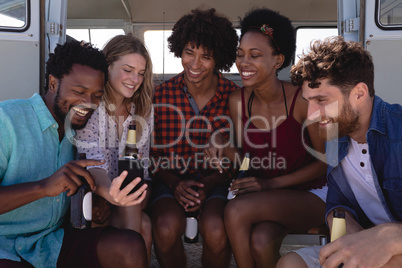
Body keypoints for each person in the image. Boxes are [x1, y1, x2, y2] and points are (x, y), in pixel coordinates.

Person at [0, 40, 147, 267]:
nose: (88, 103)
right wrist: (43, 187)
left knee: (130, 246)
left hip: (51, 243)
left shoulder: (79, 132)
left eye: (97, 96)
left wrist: (98, 200)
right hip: (4, 245)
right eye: (79, 92)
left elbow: (95, 172)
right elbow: (52, 186)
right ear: (52, 83)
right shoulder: (7, 120)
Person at [204, 8, 328, 268]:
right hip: (266, 197)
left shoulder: (302, 100)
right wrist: (221, 142)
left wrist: (270, 185)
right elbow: (246, 162)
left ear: (278, 60)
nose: (243, 63)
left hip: (311, 194)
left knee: (236, 211)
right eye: (240, 55)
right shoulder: (238, 101)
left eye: (255, 55)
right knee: (260, 241)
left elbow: (325, 161)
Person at [277, 36, 402, 268]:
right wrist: (347, 231)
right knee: (291, 264)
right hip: (362, 244)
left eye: (322, 100)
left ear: (359, 94)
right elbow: (337, 205)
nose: (312, 115)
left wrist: (387, 238)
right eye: (308, 102)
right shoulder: (336, 135)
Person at [150, 8, 239, 268]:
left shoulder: (234, 97)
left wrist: (209, 184)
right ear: (180, 50)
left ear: (219, 58)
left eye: (206, 57)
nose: (195, 64)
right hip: (169, 181)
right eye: (190, 52)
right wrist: (176, 183)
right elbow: (152, 156)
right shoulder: (160, 96)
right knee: (165, 227)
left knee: (216, 229)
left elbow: (239, 159)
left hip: (218, 183)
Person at [75, 34, 153, 263]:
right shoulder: (92, 107)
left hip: (132, 196)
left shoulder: (143, 110)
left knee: (133, 200)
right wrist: (110, 195)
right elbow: (94, 165)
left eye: (140, 73)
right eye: (128, 70)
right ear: (108, 66)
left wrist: (123, 197)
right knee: (144, 226)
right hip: (94, 194)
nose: (135, 79)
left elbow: (143, 169)